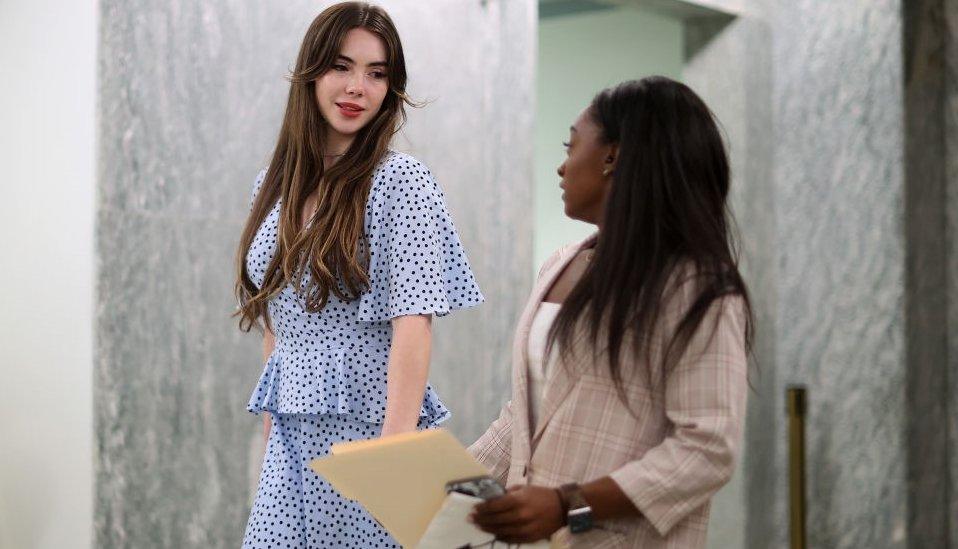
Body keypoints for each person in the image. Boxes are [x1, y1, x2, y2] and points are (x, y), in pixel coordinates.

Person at [234, 3, 483, 546]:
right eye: (342, 67)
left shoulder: (401, 182)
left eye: (376, 74)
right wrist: (274, 440)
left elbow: (413, 325)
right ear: (312, 71)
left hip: (369, 436)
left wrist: (390, 462)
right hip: (290, 447)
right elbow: (278, 325)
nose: (357, 88)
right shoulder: (271, 187)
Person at [469, 76, 753, 548]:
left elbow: (708, 449)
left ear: (612, 156)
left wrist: (568, 503)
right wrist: (449, 491)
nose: (561, 167)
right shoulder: (560, 263)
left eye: (571, 145)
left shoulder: (696, 284)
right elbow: (525, 415)